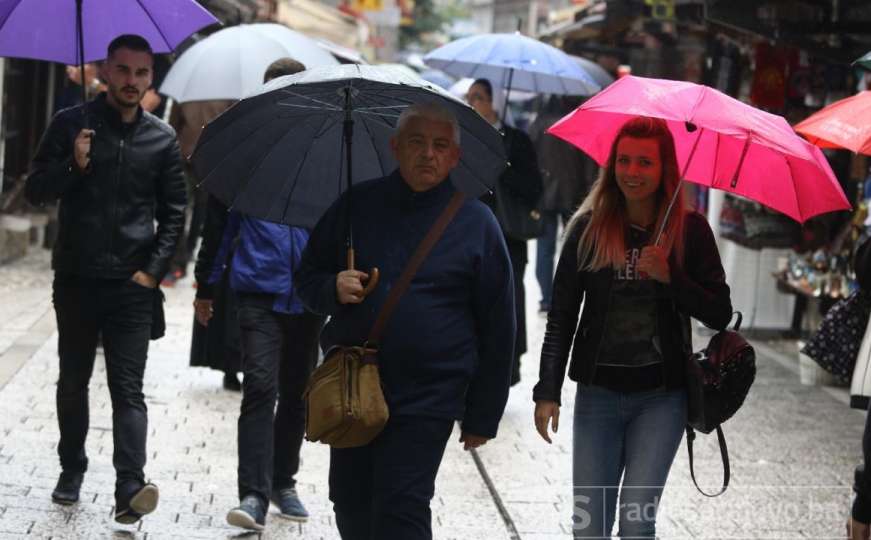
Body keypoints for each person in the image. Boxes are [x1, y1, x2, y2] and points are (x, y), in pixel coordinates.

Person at [296, 101, 516, 540]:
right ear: (396, 147)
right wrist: (332, 287)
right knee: (350, 499)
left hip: (429, 393)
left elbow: (499, 324)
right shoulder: (357, 205)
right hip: (354, 384)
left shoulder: (477, 223)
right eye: (417, 142)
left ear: (455, 156)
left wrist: (482, 415)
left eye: (440, 145)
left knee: (402, 504)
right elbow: (306, 279)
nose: (428, 154)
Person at [532, 116, 732, 539]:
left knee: (637, 523)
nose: (632, 172)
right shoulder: (588, 229)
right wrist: (547, 390)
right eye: (624, 161)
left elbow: (719, 313)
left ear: (665, 171)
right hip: (597, 397)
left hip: (661, 400)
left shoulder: (690, 231)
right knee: (589, 526)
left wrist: (672, 278)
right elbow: (563, 315)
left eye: (645, 162)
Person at [25, 34, 186, 524]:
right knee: (73, 381)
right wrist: (73, 165)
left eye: (140, 73)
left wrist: (150, 273)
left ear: (150, 77)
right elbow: (35, 190)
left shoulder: (162, 138)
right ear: (105, 71)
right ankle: (71, 467)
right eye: (122, 70)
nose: (131, 81)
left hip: (131, 287)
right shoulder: (70, 123)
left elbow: (175, 213)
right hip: (75, 276)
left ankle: (129, 488)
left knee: (128, 388)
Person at [192, 57, 322, 531]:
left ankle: (283, 480)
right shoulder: (246, 153)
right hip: (258, 288)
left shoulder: (321, 154)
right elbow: (219, 226)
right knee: (260, 385)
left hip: (308, 294)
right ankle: (253, 493)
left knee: (297, 392)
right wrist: (206, 285)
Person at [466, 78, 542, 386]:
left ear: (494, 102)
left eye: (480, 97)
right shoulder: (465, 139)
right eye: (469, 97)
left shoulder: (517, 142)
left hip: (509, 236)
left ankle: (508, 364)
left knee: (509, 299)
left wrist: (503, 166)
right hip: (472, 235)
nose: (473, 103)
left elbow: (534, 188)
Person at [527, 95, 596, 313]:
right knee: (571, 248)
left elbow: (529, 159)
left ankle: (546, 298)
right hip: (574, 195)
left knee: (544, 249)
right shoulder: (578, 123)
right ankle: (567, 296)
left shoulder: (538, 124)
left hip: (544, 195)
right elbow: (588, 164)